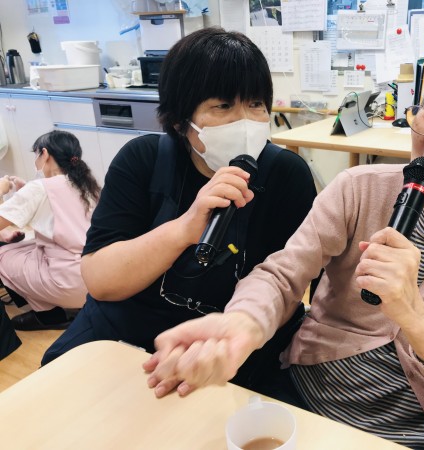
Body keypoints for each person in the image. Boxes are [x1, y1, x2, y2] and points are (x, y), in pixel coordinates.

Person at [144, 33, 424, 450]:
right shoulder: (358, 189)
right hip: (306, 397)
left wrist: (415, 316)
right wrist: (243, 324)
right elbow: (284, 274)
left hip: (415, 430)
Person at [41, 27, 317, 389]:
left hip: (225, 343)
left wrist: (230, 339)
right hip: (124, 329)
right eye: (223, 106)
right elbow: (100, 281)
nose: (245, 121)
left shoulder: (286, 175)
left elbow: (287, 286)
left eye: (255, 104)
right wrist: (185, 228)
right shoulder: (142, 159)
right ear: (179, 120)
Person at [0, 130, 100, 331]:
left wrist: (1, 191)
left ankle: (48, 316)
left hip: (67, 281)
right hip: (97, 276)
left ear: (44, 154)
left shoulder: (39, 188)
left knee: (3, 254)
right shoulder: (88, 185)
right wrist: (26, 191)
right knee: (26, 246)